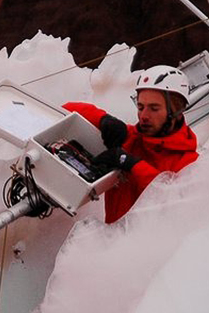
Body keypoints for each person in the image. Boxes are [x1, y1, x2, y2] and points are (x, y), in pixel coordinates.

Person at [63, 65, 198, 223]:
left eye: (154, 108)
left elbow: (172, 204)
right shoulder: (130, 138)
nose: (144, 116)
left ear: (176, 112)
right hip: (111, 241)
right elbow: (65, 111)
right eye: (140, 107)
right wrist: (104, 119)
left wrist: (133, 165)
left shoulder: (190, 161)